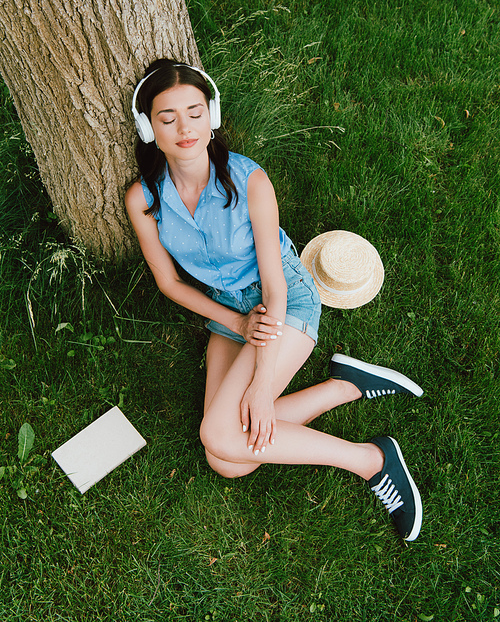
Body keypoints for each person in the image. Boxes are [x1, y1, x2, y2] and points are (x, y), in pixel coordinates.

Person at [125, 59, 424, 541]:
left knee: (222, 436)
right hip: (228, 311)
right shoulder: (143, 199)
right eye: (167, 117)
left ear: (212, 115)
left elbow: (275, 286)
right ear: (148, 128)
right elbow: (169, 283)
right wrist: (234, 323)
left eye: (195, 112)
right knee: (226, 461)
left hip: (282, 303)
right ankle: (343, 386)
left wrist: (263, 385)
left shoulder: (250, 181)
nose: (185, 128)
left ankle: (372, 460)